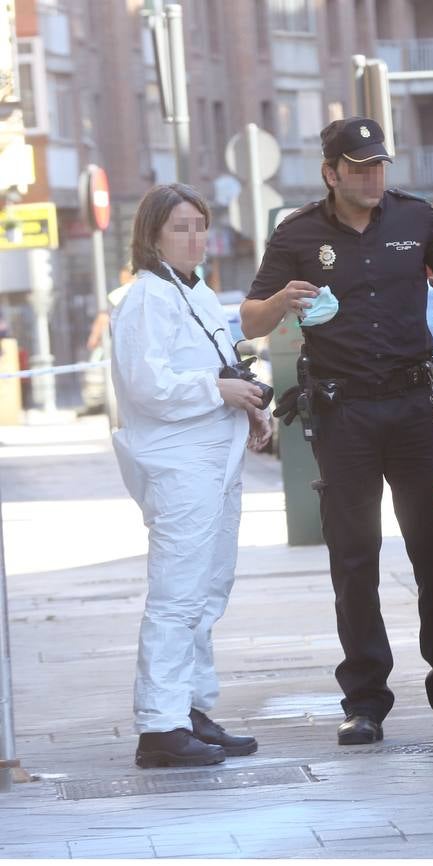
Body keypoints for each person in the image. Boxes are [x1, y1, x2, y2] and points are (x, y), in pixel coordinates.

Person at [240, 117, 433, 746]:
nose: (371, 177)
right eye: (357, 168)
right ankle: (364, 702)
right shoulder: (297, 233)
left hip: (412, 407)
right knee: (355, 561)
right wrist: (282, 301)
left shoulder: (416, 219)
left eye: (379, 165)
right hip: (344, 413)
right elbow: (250, 316)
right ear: (330, 173)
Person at [110, 184, 270, 768]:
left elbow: (219, 363)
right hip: (179, 464)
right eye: (180, 227)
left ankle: (190, 709)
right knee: (178, 595)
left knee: (207, 592)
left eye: (200, 225)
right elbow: (145, 385)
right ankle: (159, 724)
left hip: (215, 459)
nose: (194, 237)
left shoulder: (195, 292)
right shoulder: (145, 298)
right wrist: (217, 390)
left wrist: (248, 404)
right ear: (151, 235)